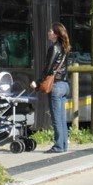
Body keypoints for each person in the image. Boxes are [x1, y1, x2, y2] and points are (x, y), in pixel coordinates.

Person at [31, 23, 71, 154]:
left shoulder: (54, 48)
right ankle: (63, 145)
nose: (48, 32)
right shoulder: (64, 48)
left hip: (56, 86)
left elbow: (48, 69)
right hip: (65, 85)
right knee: (62, 118)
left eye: (50, 31)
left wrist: (37, 83)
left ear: (55, 34)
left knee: (56, 118)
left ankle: (58, 146)